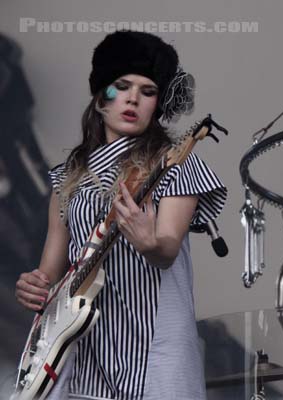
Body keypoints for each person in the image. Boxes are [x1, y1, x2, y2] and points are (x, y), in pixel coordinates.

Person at [14, 31, 227, 400]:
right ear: (100, 98)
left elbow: (166, 249)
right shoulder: (68, 177)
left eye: (147, 92)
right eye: (121, 86)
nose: (132, 98)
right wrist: (34, 285)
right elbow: (51, 272)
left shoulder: (175, 164)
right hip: (84, 347)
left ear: (157, 105)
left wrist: (149, 242)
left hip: (155, 348)